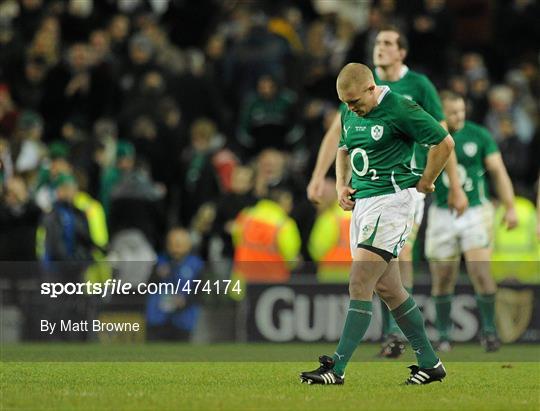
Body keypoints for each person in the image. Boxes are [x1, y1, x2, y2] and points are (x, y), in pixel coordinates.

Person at [306, 26, 468, 358]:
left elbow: (442, 137)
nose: (380, 47)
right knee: (387, 285)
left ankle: (340, 365)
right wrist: (332, 180)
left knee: (371, 273)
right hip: (365, 198)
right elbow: (341, 144)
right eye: (377, 42)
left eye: (388, 43)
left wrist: (436, 181)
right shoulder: (351, 103)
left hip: (399, 193)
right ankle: (427, 359)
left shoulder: (411, 93)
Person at [427, 91, 518, 352]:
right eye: (453, 112)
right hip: (442, 212)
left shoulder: (479, 135)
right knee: (443, 277)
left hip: (476, 212)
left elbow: (498, 172)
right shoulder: (429, 135)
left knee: (480, 271)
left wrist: (510, 207)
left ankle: (489, 331)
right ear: (441, 113)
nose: (459, 117)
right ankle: (444, 335)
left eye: (462, 111)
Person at [146, 227, 204, 341]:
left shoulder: (196, 265)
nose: (175, 248)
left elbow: (199, 292)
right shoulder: (159, 262)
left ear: (188, 245)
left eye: (179, 244)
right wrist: (157, 275)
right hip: (158, 319)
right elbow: (148, 286)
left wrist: (185, 301)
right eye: (172, 243)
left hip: (183, 321)